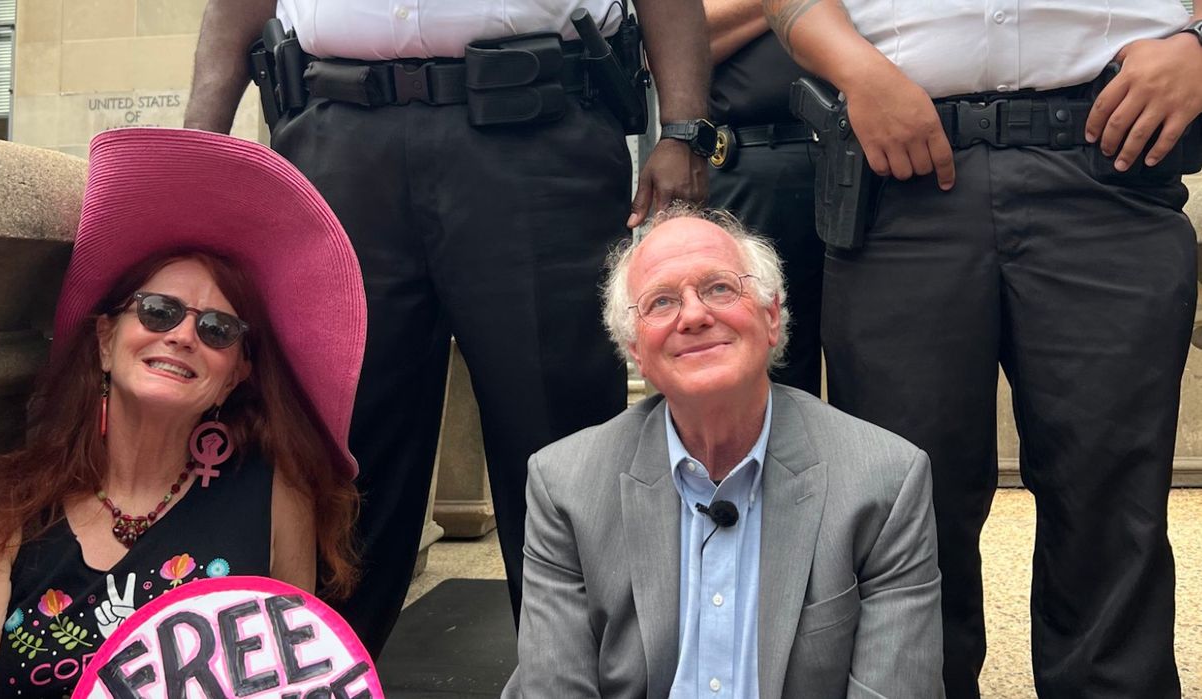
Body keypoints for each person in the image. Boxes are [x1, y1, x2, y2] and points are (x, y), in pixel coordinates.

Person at [183, 0, 713, 657]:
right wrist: (197, 147)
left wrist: (685, 126)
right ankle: (323, 671)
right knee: (335, 446)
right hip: (335, 135)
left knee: (560, 441)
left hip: (535, 133)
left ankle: (580, 675)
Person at [765, 1, 1202, 696]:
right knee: (901, 503)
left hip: (1111, 165)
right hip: (901, 174)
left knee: (1113, 501)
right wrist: (856, 68)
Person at [0, 126, 366, 698]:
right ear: (105, 340)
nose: (181, 336)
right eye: (157, 310)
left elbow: (301, 683)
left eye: (217, 329)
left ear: (235, 375)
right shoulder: (2, 508)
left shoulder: (274, 497)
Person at [505, 205, 944, 698]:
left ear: (771, 317)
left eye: (719, 288)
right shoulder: (564, 485)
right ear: (635, 351)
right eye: (662, 302)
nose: (693, 315)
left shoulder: (884, 480)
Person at [704, 0, 825, 395]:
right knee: (761, 368)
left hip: (881, 153)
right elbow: (680, 40)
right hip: (753, 161)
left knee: (884, 374)